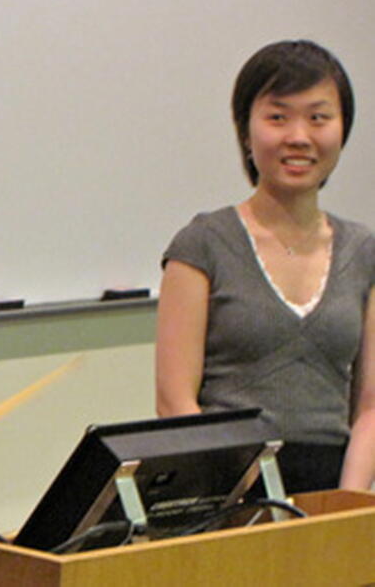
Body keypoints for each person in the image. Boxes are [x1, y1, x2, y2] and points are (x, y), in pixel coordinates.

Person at [156, 40, 375, 493]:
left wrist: (347, 505)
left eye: (318, 117)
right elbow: (174, 401)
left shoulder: (364, 250)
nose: (299, 136)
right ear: (246, 131)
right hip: (223, 492)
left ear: (342, 129)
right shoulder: (202, 244)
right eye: (278, 117)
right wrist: (239, 495)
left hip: (331, 493)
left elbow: (370, 406)